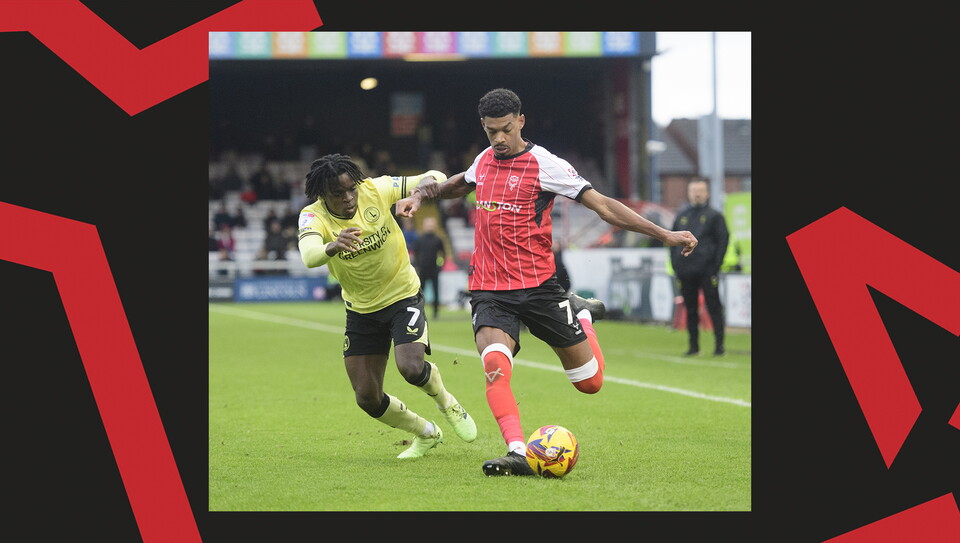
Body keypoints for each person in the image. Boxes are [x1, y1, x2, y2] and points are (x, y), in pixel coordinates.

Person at [396, 88, 698, 475]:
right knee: (494, 365)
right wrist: (421, 194)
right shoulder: (484, 161)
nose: (499, 139)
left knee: (590, 383)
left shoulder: (546, 164)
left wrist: (666, 234)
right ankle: (518, 452)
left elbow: (603, 206)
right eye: (492, 132)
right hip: (490, 290)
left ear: (521, 121)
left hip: (539, 288)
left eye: (506, 129)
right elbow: (457, 183)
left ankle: (582, 315)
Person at [296, 153, 478, 459]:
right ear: (323, 195)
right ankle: (426, 433)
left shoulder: (375, 189)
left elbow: (430, 174)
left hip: (402, 294)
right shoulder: (312, 216)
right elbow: (308, 254)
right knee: (366, 397)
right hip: (361, 309)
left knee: (410, 367)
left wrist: (422, 191)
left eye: (351, 189)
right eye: (338, 194)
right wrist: (332, 245)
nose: (349, 198)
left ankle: (447, 402)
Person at [669, 178, 730, 356]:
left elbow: (723, 241)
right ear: (688, 193)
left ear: (707, 193)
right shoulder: (681, 216)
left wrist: (715, 266)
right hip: (686, 271)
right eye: (694, 190)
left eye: (700, 190)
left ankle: (719, 346)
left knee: (714, 307)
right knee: (690, 308)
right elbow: (671, 242)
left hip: (707, 271)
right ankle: (693, 346)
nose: (697, 193)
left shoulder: (715, 216)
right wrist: (676, 265)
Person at [412, 216, 446, 320]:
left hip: (434, 270)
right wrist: (417, 266)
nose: (430, 226)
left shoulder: (438, 239)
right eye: (428, 224)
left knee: (436, 292)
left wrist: (439, 266)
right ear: (424, 226)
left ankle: (435, 313)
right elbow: (415, 254)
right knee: (420, 293)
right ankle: (419, 312)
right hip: (422, 270)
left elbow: (442, 255)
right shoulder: (419, 239)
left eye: (431, 224)